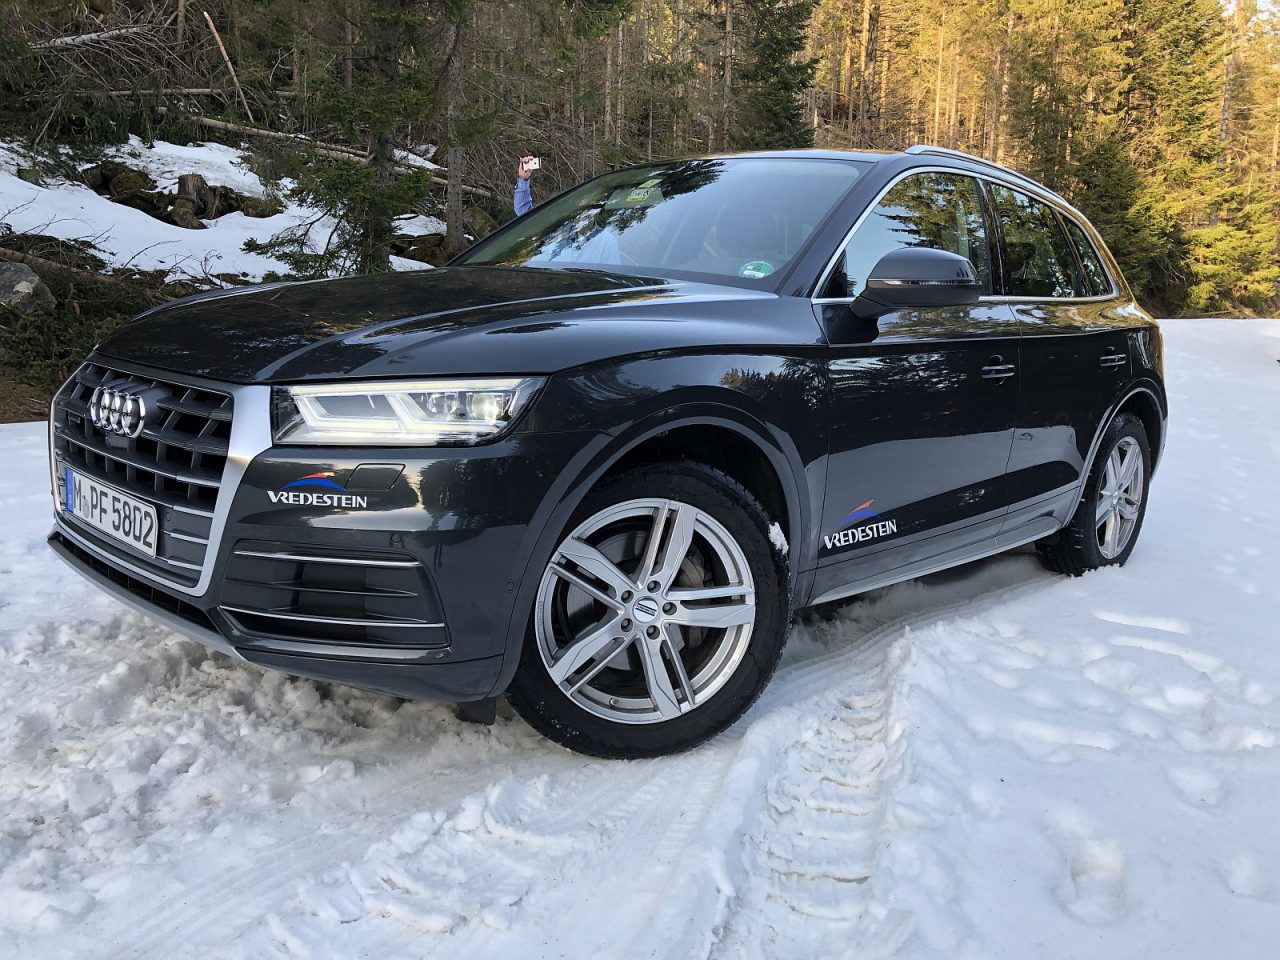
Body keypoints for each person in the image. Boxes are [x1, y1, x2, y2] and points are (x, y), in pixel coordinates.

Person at [515, 155, 622, 266]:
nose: (582, 215)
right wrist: (523, 179)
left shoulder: (606, 241)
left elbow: (612, 278)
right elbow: (525, 215)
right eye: (578, 209)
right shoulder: (558, 233)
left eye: (587, 210)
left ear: (596, 212)